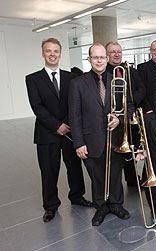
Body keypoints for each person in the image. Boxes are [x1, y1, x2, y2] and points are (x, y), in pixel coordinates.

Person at [26, 38, 92, 222]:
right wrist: (57, 126)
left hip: (70, 130)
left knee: (74, 167)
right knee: (49, 170)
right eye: (48, 51)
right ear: (43, 53)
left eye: (55, 51)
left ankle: (77, 196)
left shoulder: (72, 78)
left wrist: (65, 124)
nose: (52, 54)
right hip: (47, 133)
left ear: (60, 54)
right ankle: (50, 206)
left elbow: (74, 104)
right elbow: (37, 107)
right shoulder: (32, 79)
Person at [69, 43, 132, 226]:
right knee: (96, 176)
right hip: (90, 140)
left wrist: (119, 120)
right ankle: (101, 207)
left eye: (102, 57)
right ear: (89, 59)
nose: (99, 60)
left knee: (115, 174)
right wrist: (78, 143)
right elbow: (75, 116)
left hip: (115, 138)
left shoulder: (117, 81)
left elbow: (129, 108)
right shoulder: (77, 84)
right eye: (95, 57)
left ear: (107, 59)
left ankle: (116, 204)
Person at [106, 41, 145, 187]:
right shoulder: (105, 72)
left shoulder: (131, 71)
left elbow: (142, 90)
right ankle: (114, 185)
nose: (116, 55)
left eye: (119, 52)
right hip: (112, 118)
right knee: (114, 152)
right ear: (107, 55)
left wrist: (127, 102)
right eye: (113, 52)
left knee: (131, 148)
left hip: (130, 116)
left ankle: (132, 179)